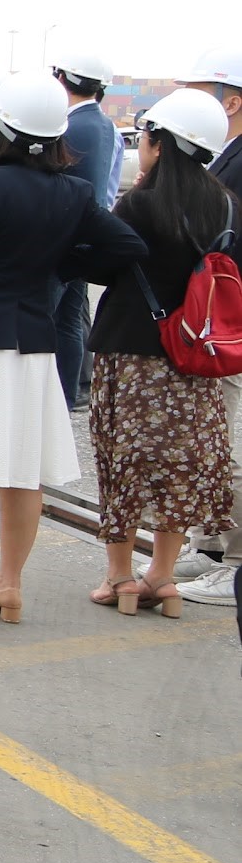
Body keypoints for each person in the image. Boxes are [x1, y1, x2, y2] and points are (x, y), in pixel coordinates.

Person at [0, 74, 143, 627]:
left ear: (2, 127)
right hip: (34, 341)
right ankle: (9, 588)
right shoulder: (74, 192)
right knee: (22, 473)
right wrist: (62, 268)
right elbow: (126, 247)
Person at [89, 89, 239, 617]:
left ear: (160, 144)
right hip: (190, 357)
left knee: (123, 461)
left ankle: (120, 578)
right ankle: (164, 578)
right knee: (179, 465)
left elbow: (102, 267)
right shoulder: (222, 203)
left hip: (129, 352)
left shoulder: (137, 203)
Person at [175, 48, 242, 603]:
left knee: (228, 442)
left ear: (233, 101)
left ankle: (237, 557)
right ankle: (212, 544)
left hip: (232, 320)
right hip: (218, 318)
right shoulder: (227, 154)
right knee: (209, 435)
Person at [47, 47, 122, 410]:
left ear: (63, 79)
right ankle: (66, 394)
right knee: (71, 321)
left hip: (64, 238)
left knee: (52, 316)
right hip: (86, 236)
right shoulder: (104, 125)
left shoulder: (73, 125)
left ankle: (55, 396)